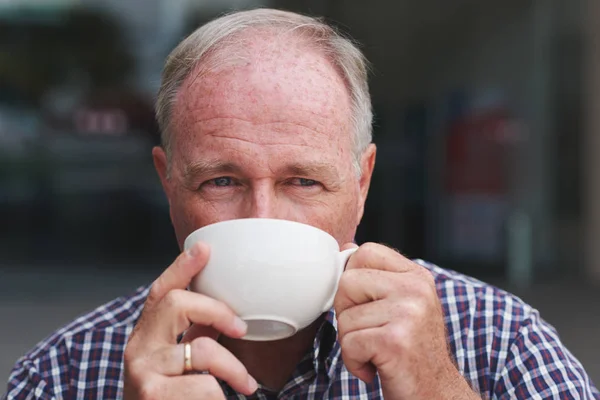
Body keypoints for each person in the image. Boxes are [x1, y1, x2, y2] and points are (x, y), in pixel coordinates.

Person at [4, 8, 599, 400]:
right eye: (220, 181)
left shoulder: (496, 339)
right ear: (168, 185)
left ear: (361, 183)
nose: (263, 218)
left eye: (303, 182)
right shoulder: (63, 371)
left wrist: (440, 388)